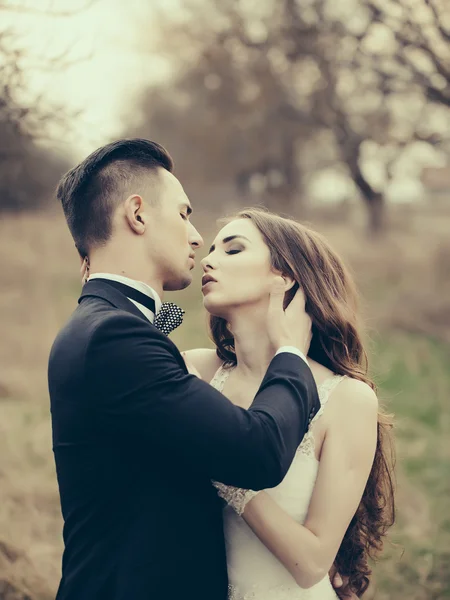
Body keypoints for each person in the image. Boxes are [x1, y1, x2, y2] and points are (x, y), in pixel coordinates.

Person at [48, 139, 323, 600]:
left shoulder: (110, 325)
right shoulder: (115, 337)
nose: (196, 238)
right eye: (183, 214)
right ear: (137, 214)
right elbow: (257, 452)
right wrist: (290, 351)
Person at [183, 209, 396, 599]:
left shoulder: (347, 398)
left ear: (284, 277)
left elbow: (313, 563)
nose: (209, 260)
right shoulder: (196, 369)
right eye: (211, 250)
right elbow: (131, 356)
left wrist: (228, 478)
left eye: (233, 250)